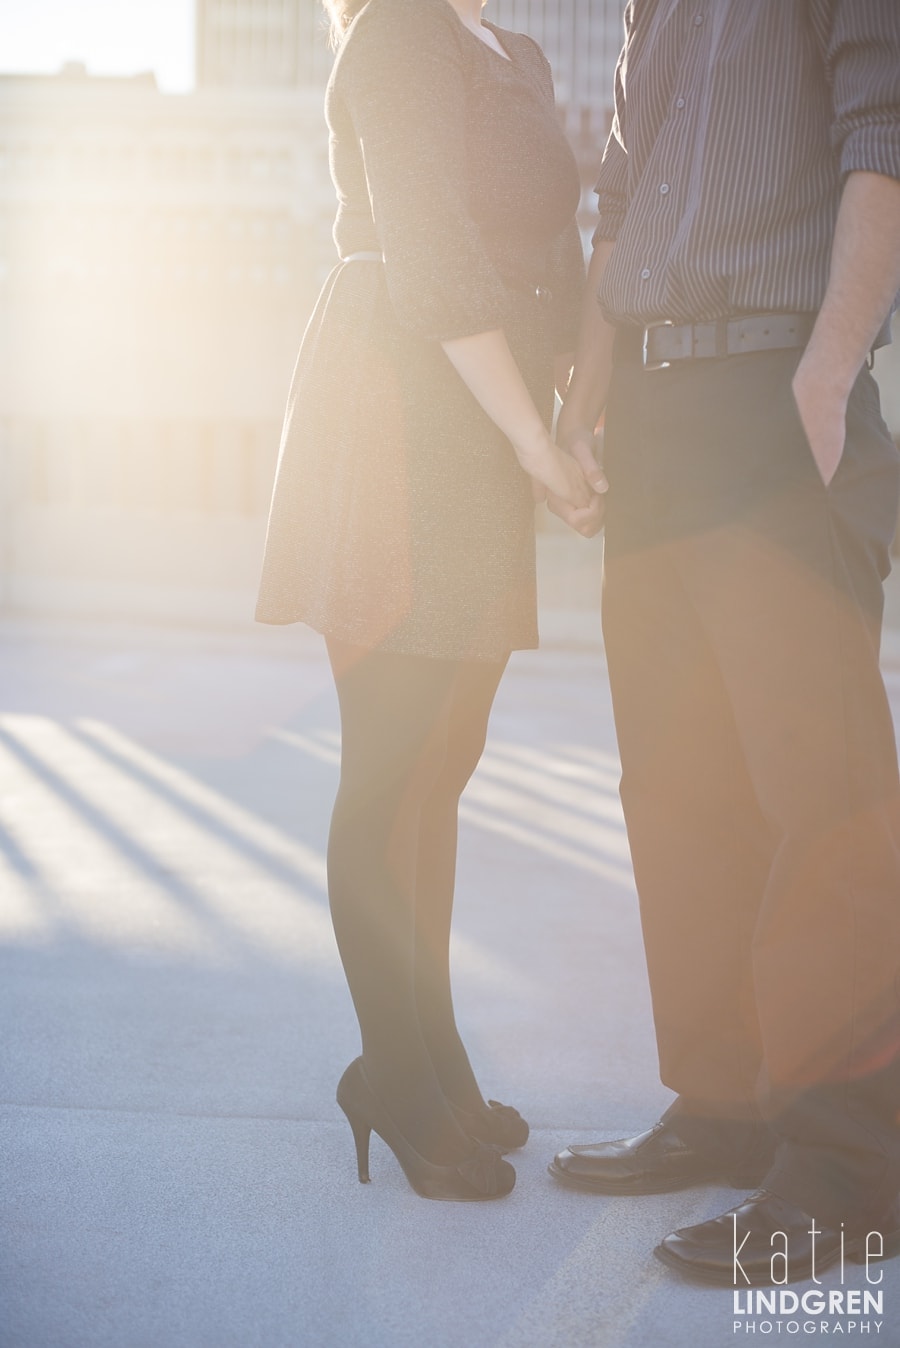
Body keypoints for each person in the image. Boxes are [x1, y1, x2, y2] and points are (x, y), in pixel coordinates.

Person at [546, 0, 900, 1284]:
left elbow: (885, 137)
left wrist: (822, 375)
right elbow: (624, 189)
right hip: (656, 413)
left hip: (777, 397)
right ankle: (725, 1104)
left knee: (829, 801)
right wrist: (583, 400)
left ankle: (851, 1170)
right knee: (679, 786)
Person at [256, 0, 600, 1202]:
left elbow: (550, 248)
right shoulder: (397, 28)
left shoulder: (517, 48)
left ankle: (435, 1058)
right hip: (396, 408)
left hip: (484, 430)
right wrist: (537, 443)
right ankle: (392, 1073)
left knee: (444, 761)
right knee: (391, 764)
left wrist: (564, 413)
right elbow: (433, 250)